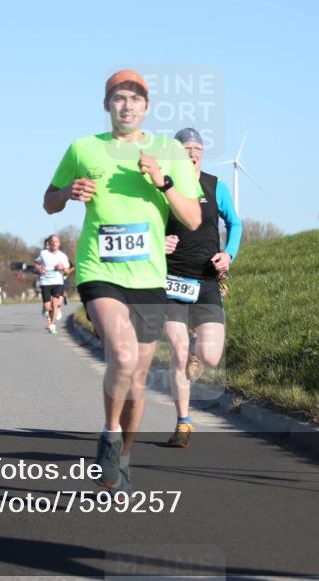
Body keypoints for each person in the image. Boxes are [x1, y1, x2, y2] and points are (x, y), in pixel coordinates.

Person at [43, 69, 202, 494]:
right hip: (100, 270)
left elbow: (193, 217)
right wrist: (67, 193)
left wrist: (163, 183)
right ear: (107, 105)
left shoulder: (168, 151)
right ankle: (110, 436)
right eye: (118, 98)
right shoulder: (83, 147)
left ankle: (124, 456)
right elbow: (48, 202)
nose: (126, 105)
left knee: (139, 376)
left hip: (149, 276)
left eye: (134, 98)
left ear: (147, 107)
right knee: (124, 354)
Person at [163, 127, 242, 448]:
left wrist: (229, 254)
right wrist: (158, 241)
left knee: (209, 355)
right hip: (170, 281)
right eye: (186, 148)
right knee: (178, 353)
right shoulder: (162, 186)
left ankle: (197, 352)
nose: (192, 153)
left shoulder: (215, 185)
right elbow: (146, 224)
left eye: (197, 148)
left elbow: (234, 223)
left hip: (208, 280)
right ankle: (183, 422)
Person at [35, 234, 74, 334]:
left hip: (58, 282)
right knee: (48, 307)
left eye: (56, 242)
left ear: (59, 244)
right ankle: (49, 314)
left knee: (55, 304)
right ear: (49, 244)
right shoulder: (43, 253)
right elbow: (36, 263)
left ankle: (52, 324)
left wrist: (62, 268)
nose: (53, 244)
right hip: (45, 282)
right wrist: (40, 269)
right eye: (52, 242)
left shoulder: (63, 256)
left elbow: (67, 270)